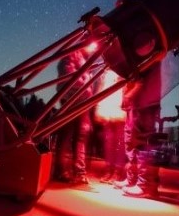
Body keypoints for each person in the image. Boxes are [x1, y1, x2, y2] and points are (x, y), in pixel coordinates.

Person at [115, 63, 162, 199]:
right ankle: (134, 180)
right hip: (140, 97)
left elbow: (141, 69)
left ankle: (145, 185)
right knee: (132, 140)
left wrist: (131, 93)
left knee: (143, 140)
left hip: (144, 98)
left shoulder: (147, 46)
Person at [53, 48, 93, 186]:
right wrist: (86, 84)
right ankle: (61, 170)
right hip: (70, 101)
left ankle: (79, 172)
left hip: (82, 103)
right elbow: (69, 77)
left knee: (80, 137)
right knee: (66, 136)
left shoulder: (82, 59)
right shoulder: (70, 56)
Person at [94, 70, 126, 183]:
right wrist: (99, 107)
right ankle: (109, 169)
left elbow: (125, 88)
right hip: (108, 108)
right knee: (109, 142)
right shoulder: (104, 73)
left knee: (119, 142)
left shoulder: (122, 70)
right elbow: (100, 90)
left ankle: (117, 170)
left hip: (118, 107)